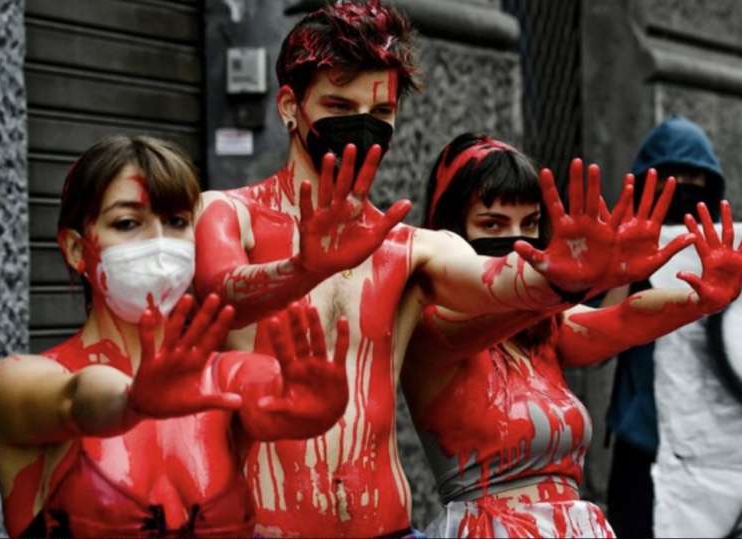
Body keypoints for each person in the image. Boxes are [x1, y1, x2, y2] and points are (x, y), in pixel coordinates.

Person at [192, 3, 692, 535]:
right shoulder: (229, 212)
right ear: (290, 106)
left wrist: (567, 275)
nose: (363, 127)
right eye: (339, 104)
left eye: (380, 113)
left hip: (387, 528)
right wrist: (301, 268)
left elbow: (499, 283)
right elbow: (222, 293)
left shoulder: (409, 247)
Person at [0, 136, 350, 538]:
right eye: (127, 223)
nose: (159, 243)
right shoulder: (18, 380)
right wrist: (131, 402)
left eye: (176, 221)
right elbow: (76, 399)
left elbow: (271, 397)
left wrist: (311, 408)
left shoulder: (221, 379)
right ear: (75, 248)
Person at [399, 133, 742, 537]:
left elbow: (622, 320)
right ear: (450, 233)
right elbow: (518, 304)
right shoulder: (433, 329)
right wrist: (575, 282)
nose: (517, 239)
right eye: (492, 224)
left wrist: (700, 300)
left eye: (530, 223)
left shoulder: (542, 328)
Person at [604, 116, 726, 538]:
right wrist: (623, 266)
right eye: (673, 178)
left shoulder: (725, 255)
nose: (685, 187)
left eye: (695, 178)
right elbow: (593, 344)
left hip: (712, 446)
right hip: (643, 446)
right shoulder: (625, 253)